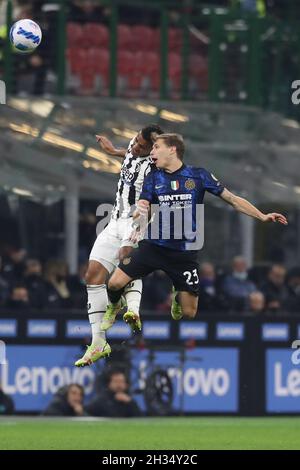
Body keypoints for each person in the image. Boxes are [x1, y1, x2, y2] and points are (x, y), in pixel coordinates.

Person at [105, 133, 288, 347]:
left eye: (155, 147)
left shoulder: (198, 176)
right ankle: (113, 308)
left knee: (189, 313)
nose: (151, 152)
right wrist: (141, 211)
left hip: (183, 255)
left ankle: (176, 294)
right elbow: (144, 202)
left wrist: (262, 215)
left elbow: (232, 199)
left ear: (172, 149)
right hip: (154, 247)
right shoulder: (153, 177)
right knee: (114, 283)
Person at [75, 124, 164, 367]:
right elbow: (128, 154)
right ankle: (98, 342)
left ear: (153, 150)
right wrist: (113, 150)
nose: (135, 147)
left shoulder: (156, 165)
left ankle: (133, 309)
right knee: (92, 274)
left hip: (139, 218)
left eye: (142, 146)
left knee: (126, 259)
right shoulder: (132, 152)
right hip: (114, 220)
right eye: (134, 141)